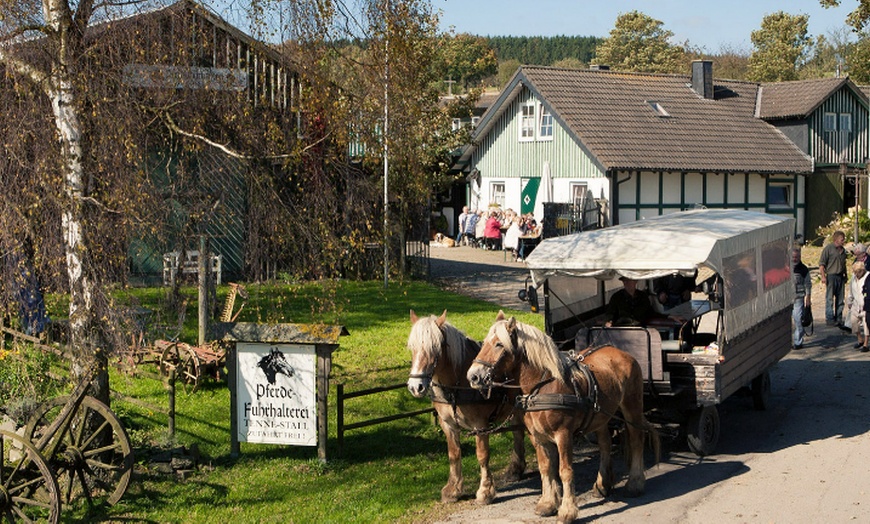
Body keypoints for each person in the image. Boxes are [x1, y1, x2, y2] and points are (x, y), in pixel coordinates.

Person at [605, 277, 684, 328]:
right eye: (624, 281)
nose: (626, 283)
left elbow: (651, 313)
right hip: (621, 332)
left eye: (629, 280)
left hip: (640, 331)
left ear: (635, 281)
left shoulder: (642, 296)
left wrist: (668, 316)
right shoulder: (616, 297)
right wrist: (609, 322)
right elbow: (610, 315)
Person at [818, 230, 849, 330]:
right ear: (836, 239)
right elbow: (822, 264)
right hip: (831, 275)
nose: (843, 241)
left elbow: (844, 264)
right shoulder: (829, 249)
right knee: (830, 298)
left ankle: (838, 318)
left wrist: (846, 275)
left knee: (840, 299)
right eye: (842, 239)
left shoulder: (843, 251)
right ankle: (830, 318)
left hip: (840, 276)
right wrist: (823, 276)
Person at [792, 247, 812, 350]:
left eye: (796, 257)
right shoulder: (785, 267)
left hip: (799, 297)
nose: (794, 259)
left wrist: (808, 297)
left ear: (800, 257)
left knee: (798, 319)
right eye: (793, 257)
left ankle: (798, 341)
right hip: (787, 298)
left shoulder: (803, 269)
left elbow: (808, 284)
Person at [846, 260, 867, 350]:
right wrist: (849, 301)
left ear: (862, 270)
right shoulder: (853, 278)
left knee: (866, 325)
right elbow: (851, 290)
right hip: (855, 304)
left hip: (866, 304)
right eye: (855, 272)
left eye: (858, 272)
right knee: (854, 322)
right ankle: (860, 339)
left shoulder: (867, 276)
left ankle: (866, 343)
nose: (856, 274)